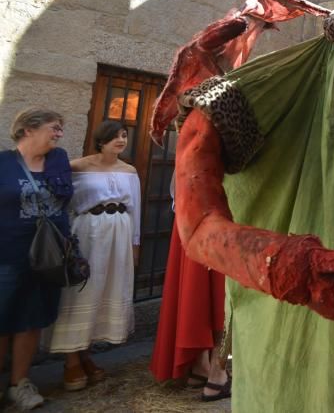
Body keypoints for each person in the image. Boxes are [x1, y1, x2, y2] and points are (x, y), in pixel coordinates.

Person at [45, 121, 141, 391]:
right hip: (89, 231)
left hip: (119, 234)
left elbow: (136, 210)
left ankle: (85, 353)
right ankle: (70, 359)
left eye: (124, 135)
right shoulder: (78, 166)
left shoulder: (129, 170)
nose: (121, 140)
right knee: (81, 290)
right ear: (101, 140)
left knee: (105, 291)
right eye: (115, 136)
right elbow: (57, 190)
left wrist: (135, 245)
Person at [0, 109, 74, 411]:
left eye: (60, 129)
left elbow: (67, 195)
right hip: (7, 253)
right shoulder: (4, 163)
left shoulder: (58, 160)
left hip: (49, 257)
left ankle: (20, 384)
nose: (58, 134)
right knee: (2, 321)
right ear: (29, 129)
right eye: (53, 128)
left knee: (32, 321)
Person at [149, 175, 230, 402]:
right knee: (225, 295)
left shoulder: (186, 139)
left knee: (200, 291)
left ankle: (200, 366)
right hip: (217, 213)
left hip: (194, 212)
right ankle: (218, 373)